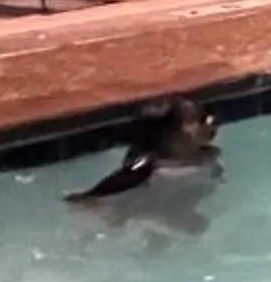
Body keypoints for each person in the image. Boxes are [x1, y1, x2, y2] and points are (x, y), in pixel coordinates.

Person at [68, 97, 221, 230]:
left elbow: (204, 189)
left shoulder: (209, 157)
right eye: (197, 120)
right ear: (170, 134)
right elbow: (104, 191)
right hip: (147, 212)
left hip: (172, 210)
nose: (209, 124)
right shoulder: (147, 165)